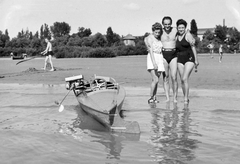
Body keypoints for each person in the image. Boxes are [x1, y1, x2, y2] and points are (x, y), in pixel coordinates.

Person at [175, 19, 199, 105]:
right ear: (177, 28)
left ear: (185, 28)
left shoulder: (188, 35)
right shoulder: (176, 36)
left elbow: (193, 47)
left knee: (185, 78)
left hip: (189, 58)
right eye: (179, 27)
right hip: (179, 59)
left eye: (182, 27)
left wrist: (196, 60)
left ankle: (185, 99)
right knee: (182, 80)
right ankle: (185, 96)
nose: (181, 29)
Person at [144, 22, 165, 104]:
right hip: (152, 58)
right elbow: (151, 51)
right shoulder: (150, 38)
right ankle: (151, 97)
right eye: (155, 32)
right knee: (155, 79)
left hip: (160, 57)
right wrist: (154, 63)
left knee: (157, 79)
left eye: (159, 32)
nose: (157, 34)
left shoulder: (159, 38)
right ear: (153, 31)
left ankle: (154, 97)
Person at [161, 16, 178, 103]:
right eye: (165, 24)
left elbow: (185, 32)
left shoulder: (175, 30)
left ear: (171, 24)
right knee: (165, 77)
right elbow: (149, 37)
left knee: (174, 77)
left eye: (169, 24)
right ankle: (167, 97)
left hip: (173, 54)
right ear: (163, 24)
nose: (167, 26)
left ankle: (175, 97)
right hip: (163, 55)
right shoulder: (160, 31)